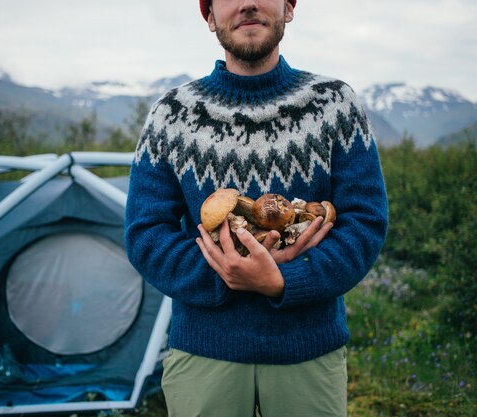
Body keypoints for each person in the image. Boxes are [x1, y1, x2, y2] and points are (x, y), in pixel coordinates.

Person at [124, 0, 388, 415]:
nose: (247, 3)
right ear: (209, 15)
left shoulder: (336, 105)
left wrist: (285, 282)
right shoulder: (170, 117)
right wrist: (229, 275)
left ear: (288, 7)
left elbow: (365, 224)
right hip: (204, 357)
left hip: (308, 356)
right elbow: (146, 234)